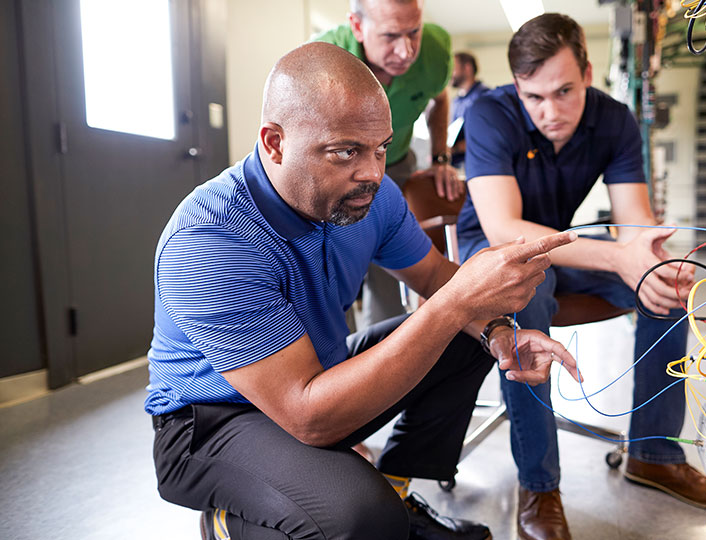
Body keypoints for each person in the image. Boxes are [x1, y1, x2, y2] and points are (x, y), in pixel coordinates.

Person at [146, 41, 580, 540]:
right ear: (274, 143)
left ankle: (395, 494)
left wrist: (499, 329)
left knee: (465, 337)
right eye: (345, 151)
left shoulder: (369, 195)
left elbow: (437, 276)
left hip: (315, 375)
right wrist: (460, 301)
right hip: (212, 422)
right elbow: (309, 418)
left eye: (379, 149)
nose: (372, 172)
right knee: (358, 516)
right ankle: (234, 523)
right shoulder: (212, 240)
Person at [457, 13, 706, 540]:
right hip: (496, 255)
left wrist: (648, 257)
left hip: (560, 251)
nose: (550, 112)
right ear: (518, 88)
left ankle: (653, 454)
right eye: (535, 98)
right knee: (528, 287)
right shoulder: (488, 113)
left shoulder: (615, 120)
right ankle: (540, 486)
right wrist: (617, 257)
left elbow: (635, 223)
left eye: (564, 91)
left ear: (588, 73)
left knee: (662, 286)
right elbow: (504, 230)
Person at [315, 0, 464, 328]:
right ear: (357, 26)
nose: (406, 51)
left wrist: (440, 157)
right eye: (390, 36)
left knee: (392, 260)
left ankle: (382, 350)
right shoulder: (323, 59)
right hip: (334, 171)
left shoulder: (436, 49)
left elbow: (440, 99)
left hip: (395, 163)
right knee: (333, 264)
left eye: (414, 32)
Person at [449, 52, 491, 168]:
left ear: (467, 68)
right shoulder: (456, 101)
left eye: (453, 68)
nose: (449, 74)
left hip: (479, 164)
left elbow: (486, 136)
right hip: (457, 164)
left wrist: (454, 149)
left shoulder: (484, 97)